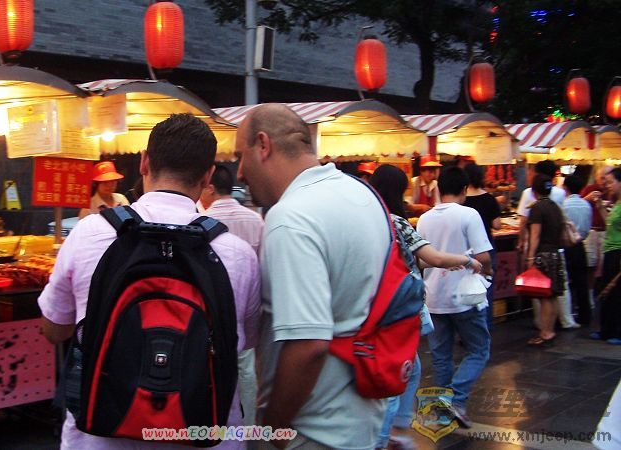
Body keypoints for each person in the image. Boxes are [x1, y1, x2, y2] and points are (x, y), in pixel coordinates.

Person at [38, 113, 261, 449]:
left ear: (144, 162)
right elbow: (243, 341)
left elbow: (55, 330)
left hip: (98, 438)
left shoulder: (89, 234)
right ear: (208, 176)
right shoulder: (237, 254)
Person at [235, 103, 390, 450]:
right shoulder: (361, 194)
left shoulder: (291, 218)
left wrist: (272, 429)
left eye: (240, 156)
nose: (240, 173)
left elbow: (308, 345)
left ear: (263, 145)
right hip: (362, 421)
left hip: (310, 432)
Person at [370, 164, 483, 450]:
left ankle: (396, 430)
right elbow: (434, 258)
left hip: (376, 304)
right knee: (401, 370)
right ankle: (384, 437)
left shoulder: (368, 220)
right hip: (399, 307)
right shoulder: (397, 222)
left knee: (413, 367)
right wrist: (467, 260)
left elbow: (416, 259)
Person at [416, 166, 493, 429]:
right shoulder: (468, 215)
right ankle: (456, 399)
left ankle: (443, 408)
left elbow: (420, 260)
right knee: (479, 350)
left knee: (441, 356)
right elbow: (483, 256)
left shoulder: (424, 218)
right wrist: (487, 271)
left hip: (433, 297)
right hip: (465, 296)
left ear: (439, 189)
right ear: (464, 189)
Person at [199, 164, 264, 433]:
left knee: (211, 371)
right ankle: (246, 428)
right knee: (246, 371)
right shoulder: (255, 220)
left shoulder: (200, 220)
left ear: (210, 188)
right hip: (245, 309)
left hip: (209, 313)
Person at [517, 160, 579, 330]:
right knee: (558, 289)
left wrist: (526, 251)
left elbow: (526, 224)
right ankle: (565, 320)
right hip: (557, 248)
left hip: (541, 250)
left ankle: (542, 326)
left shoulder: (530, 196)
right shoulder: (559, 194)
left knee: (539, 290)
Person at [524, 174, 567, 346]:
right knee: (553, 295)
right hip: (556, 254)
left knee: (544, 297)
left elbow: (535, 235)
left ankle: (545, 332)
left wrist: (530, 256)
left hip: (543, 255)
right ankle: (550, 330)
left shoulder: (537, 208)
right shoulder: (555, 207)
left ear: (534, 190)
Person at [463, 164, 502, 326]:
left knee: (465, 288)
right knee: (486, 287)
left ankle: (466, 327)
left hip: (464, 249)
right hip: (485, 247)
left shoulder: (462, 200)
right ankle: (485, 324)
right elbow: (497, 225)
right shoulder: (489, 199)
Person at [593, 167, 621, 345]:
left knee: (616, 292)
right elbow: (609, 224)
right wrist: (599, 207)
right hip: (610, 251)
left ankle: (617, 332)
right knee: (607, 292)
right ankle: (606, 330)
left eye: (611, 182)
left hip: (619, 252)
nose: (607, 185)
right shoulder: (616, 204)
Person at [563, 175, 593, 326]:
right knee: (582, 282)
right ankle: (585, 316)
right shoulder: (586, 205)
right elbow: (588, 228)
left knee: (565, 283)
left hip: (566, 247)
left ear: (565, 187)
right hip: (580, 246)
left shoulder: (564, 205)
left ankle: (566, 316)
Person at [582, 166, 613, 301]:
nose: (604, 182)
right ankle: (590, 295)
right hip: (592, 231)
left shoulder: (614, 192)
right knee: (590, 264)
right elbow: (579, 204)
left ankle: (602, 293)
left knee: (606, 265)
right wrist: (587, 198)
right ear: (596, 178)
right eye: (602, 178)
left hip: (607, 232)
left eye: (607, 178)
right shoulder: (590, 189)